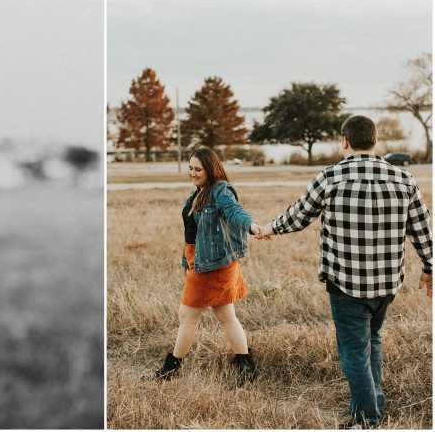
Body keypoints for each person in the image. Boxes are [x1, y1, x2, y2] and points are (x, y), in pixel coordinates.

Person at [258, 115, 432, 429]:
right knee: (372, 340)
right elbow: (422, 229)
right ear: (375, 141)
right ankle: (371, 403)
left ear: (345, 142)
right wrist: (430, 267)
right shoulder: (404, 179)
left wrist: (269, 229)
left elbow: (298, 217)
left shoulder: (330, 177)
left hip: (347, 285)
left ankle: (367, 419)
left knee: (354, 349)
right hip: (386, 285)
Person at [152, 147, 263, 386]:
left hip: (213, 265)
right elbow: (191, 235)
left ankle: (171, 368)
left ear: (211, 169)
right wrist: (187, 262)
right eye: (190, 168)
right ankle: (246, 366)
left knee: (187, 315)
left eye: (198, 169)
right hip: (201, 261)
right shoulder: (199, 193)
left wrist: (251, 225)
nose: (192, 173)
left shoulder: (220, 190)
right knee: (225, 315)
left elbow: (235, 211)